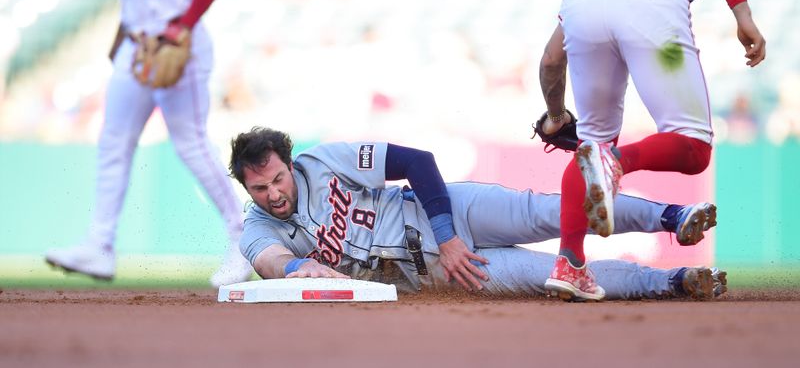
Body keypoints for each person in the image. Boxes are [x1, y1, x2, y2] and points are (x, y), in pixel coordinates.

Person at [537, 0, 765, 300]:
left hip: (584, 9)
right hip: (650, 1)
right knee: (693, 148)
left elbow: (551, 60)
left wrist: (554, 116)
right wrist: (743, 14)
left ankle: (569, 264)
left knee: (591, 143)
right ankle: (615, 161)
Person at [45, 0, 252, 288]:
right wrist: (121, 31)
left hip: (178, 46)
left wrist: (183, 23)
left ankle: (243, 238)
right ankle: (99, 246)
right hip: (135, 47)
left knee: (191, 144)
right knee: (113, 140)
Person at [228, 127, 726, 301]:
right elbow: (268, 261)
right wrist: (295, 267)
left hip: (445, 213)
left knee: (554, 211)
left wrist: (445, 234)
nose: (273, 193)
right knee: (556, 278)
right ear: (247, 189)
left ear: (289, 164)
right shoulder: (258, 225)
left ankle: (674, 216)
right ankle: (678, 282)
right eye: (260, 187)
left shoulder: (321, 161)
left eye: (277, 178)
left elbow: (416, 162)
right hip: (443, 271)